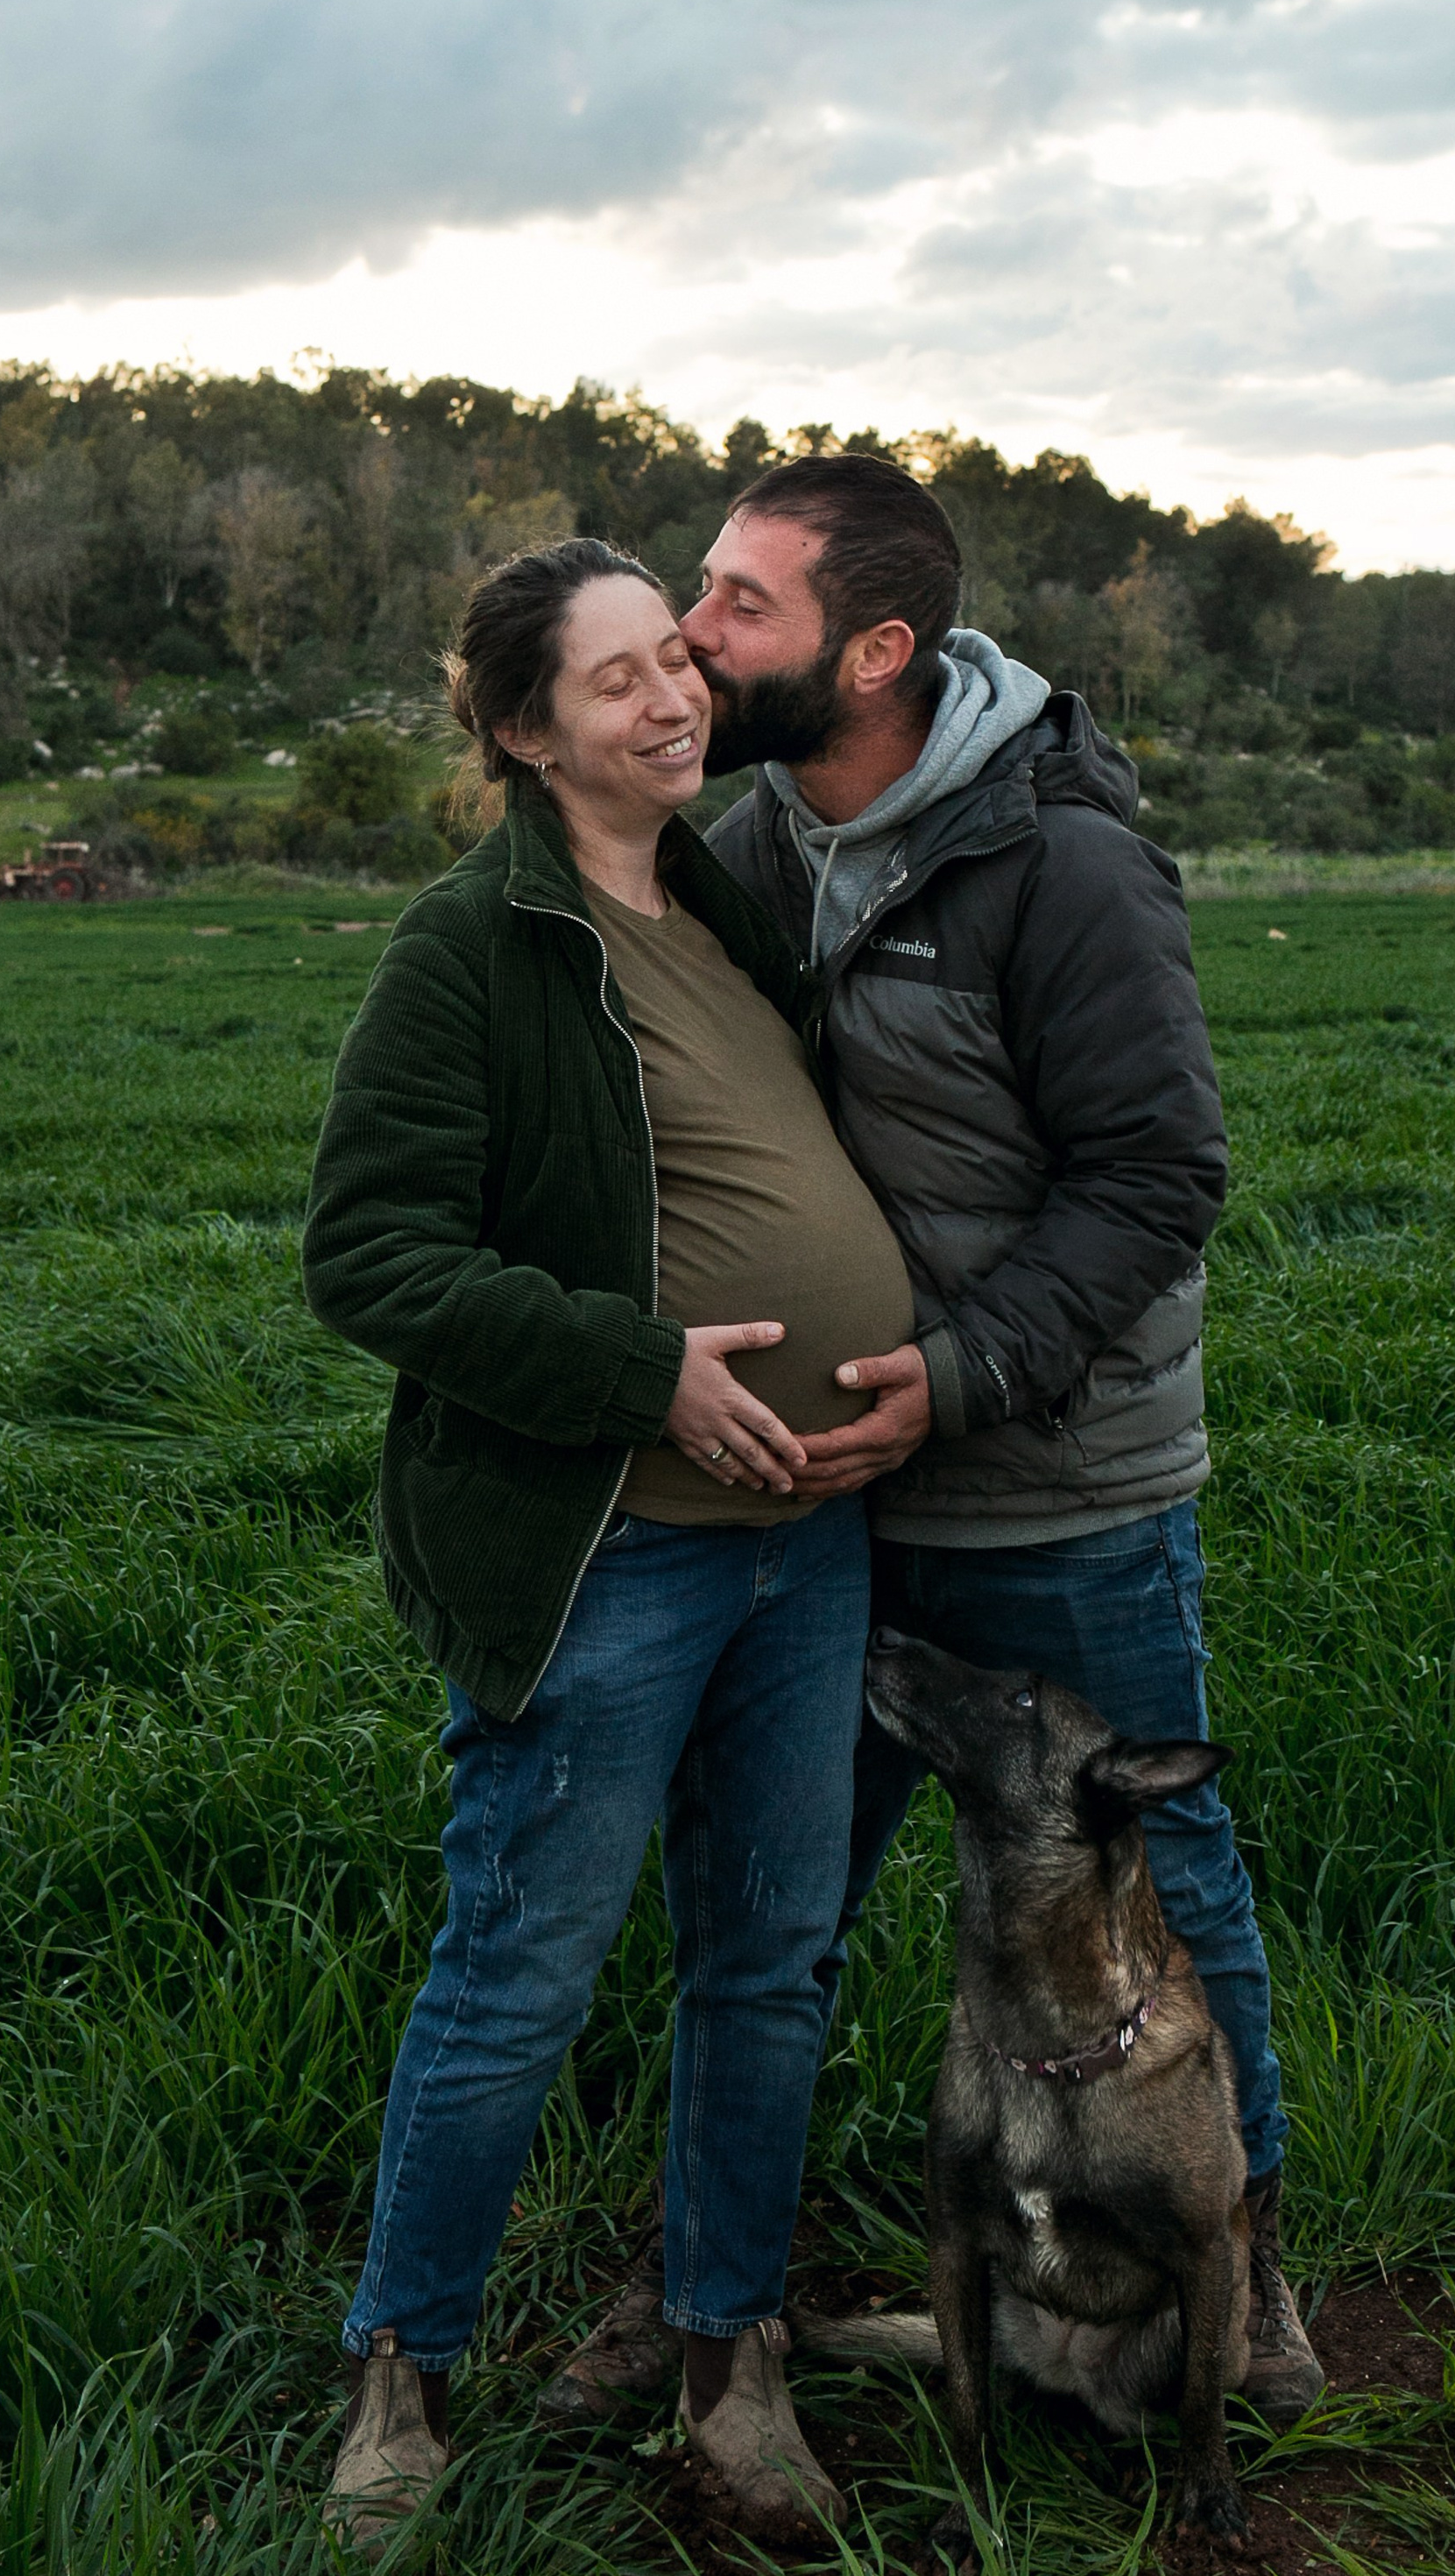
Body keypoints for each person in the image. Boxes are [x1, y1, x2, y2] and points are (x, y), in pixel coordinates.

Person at [542, 455, 1325, 2433]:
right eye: (697, 593)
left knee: (1165, 1868)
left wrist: (965, 1373)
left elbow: (1160, 1172)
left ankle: (1246, 2257)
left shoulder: (1059, 864)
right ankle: (706, 2283)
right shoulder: (756, 841)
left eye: (736, 606)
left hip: (1056, 1484)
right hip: (816, 1496)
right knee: (767, 1903)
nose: (694, 637)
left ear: (872, 652)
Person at [302, 535, 917, 2547]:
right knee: (519, 1976)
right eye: (610, 683)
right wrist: (641, 1368)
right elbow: (371, 1257)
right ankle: (400, 2385)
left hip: (799, 1544)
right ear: (514, 731)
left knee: (769, 1965)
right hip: (616, 1557)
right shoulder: (472, 946)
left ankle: (732, 2364)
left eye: (675, 657)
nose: (669, 698)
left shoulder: (724, 891)